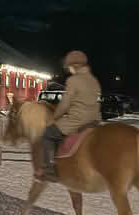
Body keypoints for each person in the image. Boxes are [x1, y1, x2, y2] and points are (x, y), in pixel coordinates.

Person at [37, 50, 101, 181]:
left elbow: (65, 104)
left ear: (75, 66)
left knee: (47, 133)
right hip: (94, 121)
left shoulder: (74, 80)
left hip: (77, 121)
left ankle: (49, 170)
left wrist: (54, 117)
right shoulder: (93, 80)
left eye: (70, 67)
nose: (69, 70)